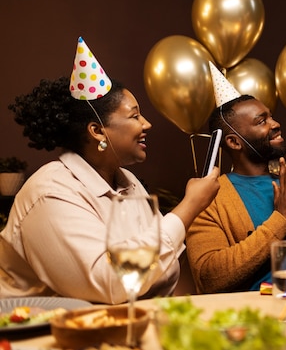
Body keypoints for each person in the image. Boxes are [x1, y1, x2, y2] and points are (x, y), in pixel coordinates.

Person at [0, 37, 220, 303]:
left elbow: (159, 274)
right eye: (134, 115)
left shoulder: (129, 183)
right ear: (97, 131)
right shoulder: (49, 193)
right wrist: (189, 207)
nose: (147, 124)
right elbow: (111, 284)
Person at [185, 65, 286, 293]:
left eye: (271, 117)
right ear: (234, 142)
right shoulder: (209, 197)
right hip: (253, 321)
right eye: (261, 121)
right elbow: (209, 277)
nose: (275, 124)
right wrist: (282, 218)